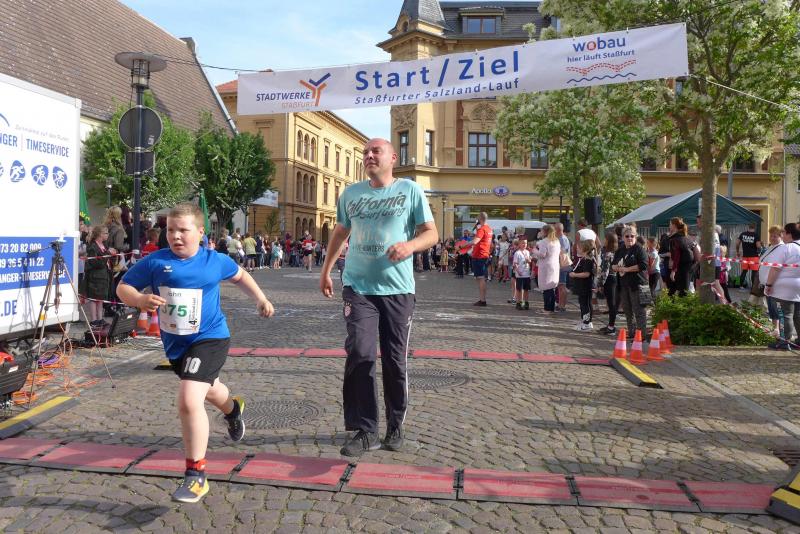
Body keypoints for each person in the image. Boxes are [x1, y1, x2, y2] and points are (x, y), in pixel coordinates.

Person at [117, 203, 275, 503]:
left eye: (183, 230)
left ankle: (196, 475)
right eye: (170, 230)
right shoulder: (156, 261)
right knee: (209, 389)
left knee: (189, 399)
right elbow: (123, 287)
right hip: (177, 346)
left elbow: (240, 275)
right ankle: (233, 409)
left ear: (201, 232)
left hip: (211, 337)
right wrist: (138, 299)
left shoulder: (213, 260)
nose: (175, 236)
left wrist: (261, 299)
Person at [319, 138, 437, 457]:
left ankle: (395, 424)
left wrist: (410, 246)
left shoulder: (410, 190)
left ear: (393, 158)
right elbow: (340, 233)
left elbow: (431, 233)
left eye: (376, 151)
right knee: (360, 353)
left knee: (395, 361)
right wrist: (326, 270)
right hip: (358, 287)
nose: (369, 156)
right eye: (365, 152)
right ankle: (365, 430)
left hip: (398, 290)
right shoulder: (351, 194)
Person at [614, 225, 649, 338]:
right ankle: (632, 332)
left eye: (632, 236)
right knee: (628, 310)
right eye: (627, 236)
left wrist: (627, 269)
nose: (630, 238)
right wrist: (617, 268)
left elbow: (644, 265)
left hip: (638, 284)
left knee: (639, 311)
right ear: (623, 237)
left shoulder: (639, 249)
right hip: (624, 284)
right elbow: (613, 264)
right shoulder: (620, 250)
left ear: (636, 237)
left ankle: (641, 336)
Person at [83, 226, 112, 325]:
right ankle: (94, 320)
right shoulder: (92, 247)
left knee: (100, 299)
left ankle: (100, 318)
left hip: (103, 275)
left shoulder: (104, 245)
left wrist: (112, 255)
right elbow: (95, 263)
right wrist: (108, 253)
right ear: (100, 234)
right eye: (106, 233)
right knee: (93, 298)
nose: (107, 235)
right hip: (95, 277)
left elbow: (106, 260)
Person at [759, 226, 785, 338]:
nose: (772, 238)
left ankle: (779, 332)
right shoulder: (772, 247)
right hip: (767, 283)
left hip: (774, 284)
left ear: (781, 236)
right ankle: (775, 330)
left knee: (776, 309)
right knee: (771, 309)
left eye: (775, 236)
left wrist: (770, 283)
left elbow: (776, 268)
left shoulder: (781, 248)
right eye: (771, 235)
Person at [532, 224, 560, 312]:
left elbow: (542, 254)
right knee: (551, 288)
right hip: (555, 265)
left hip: (546, 266)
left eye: (541, 230)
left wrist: (534, 250)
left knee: (546, 288)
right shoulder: (556, 241)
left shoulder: (544, 241)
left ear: (545, 231)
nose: (540, 232)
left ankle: (547, 309)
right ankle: (551, 308)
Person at [570, 240, 597, 330]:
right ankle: (585, 320)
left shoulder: (588, 260)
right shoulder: (584, 259)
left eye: (579, 248)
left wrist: (575, 275)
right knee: (583, 303)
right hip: (582, 286)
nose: (577, 249)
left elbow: (586, 274)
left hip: (586, 286)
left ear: (584, 249)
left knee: (585, 304)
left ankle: (587, 323)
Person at [468, 212, 493, 306]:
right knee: (481, 278)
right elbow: (490, 244)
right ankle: (482, 299)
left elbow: (475, 242)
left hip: (479, 256)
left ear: (480, 218)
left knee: (480, 278)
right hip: (484, 255)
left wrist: (463, 246)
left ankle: (482, 300)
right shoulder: (489, 229)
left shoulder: (482, 229)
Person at [598, 233, 620, 335]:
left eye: (605, 239)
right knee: (612, 303)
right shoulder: (616, 252)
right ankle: (610, 325)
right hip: (615, 279)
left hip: (609, 279)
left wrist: (600, 284)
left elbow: (605, 271)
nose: (604, 240)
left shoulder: (608, 254)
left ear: (609, 241)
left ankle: (611, 327)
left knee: (611, 304)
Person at [669, 218, 694, 297]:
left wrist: (673, 270)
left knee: (682, 291)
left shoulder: (675, 239)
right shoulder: (687, 237)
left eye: (670, 224)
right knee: (679, 290)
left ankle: (682, 305)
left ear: (674, 225)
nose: (669, 226)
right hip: (689, 266)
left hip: (682, 267)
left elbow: (677, 255)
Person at [737, 222, 761, 288]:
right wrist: (759, 251)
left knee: (744, 271)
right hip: (754, 256)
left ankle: (741, 286)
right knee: (754, 272)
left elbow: (737, 243)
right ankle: (753, 287)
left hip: (745, 256)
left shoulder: (743, 234)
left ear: (748, 227)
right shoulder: (756, 235)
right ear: (755, 227)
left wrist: (737, 251)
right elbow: (758, 246)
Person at [512, 235, 531, 310]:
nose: (524, 244)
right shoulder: (517, 253)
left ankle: (526, 302)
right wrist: (518, 271)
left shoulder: (527, 252)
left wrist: (529, 261)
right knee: (519, 289)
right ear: (519, 244)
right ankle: (518, 302)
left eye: (525, 243)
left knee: (526, 289)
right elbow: (515, 263)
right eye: (522, 243)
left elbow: (529, 261)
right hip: (520, 274)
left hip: (527, 274)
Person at [555, 222, 571, 312]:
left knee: (562, 286)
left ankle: (562, 306)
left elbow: (563, 252)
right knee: (560, 286)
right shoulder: (561, 238)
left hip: (563, 266)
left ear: (557, 230)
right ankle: (560, 305)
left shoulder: (563, 239)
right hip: (561, 265)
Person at [646, 237, 660, 302]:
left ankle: (655, 303)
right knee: (650, 288)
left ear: (652, 243)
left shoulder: (654, 253)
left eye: (648, 242)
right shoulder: (649, 251)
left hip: (655, 273)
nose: (646, 243)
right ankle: (653, 303)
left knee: (652, 289)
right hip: (652, 273)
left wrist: (646, 273)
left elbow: (650, 265)